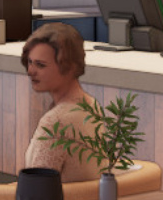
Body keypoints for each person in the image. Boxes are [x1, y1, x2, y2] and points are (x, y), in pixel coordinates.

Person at [18, 22, 110, 183]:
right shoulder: (90, 104)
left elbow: (37, 188)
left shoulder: (56, 121)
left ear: (69, 67)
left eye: (40, 65)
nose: (30, 71)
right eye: (30, 62)